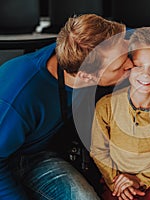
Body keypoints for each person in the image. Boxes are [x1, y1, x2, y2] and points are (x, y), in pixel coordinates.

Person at [0, 14, 134, 200]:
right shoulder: (18, 95)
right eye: (119, 66)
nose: (131, 64)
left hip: (38, 151)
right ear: (87, 76)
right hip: (8, 160)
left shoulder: (83, 51)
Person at [90, 27, 150, 200]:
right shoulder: (106, 105)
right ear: (129, 66)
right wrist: (117, 182)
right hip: (116, 180)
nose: (145, 74)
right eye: (138, 66)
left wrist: (140, 179)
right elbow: (98, 151)